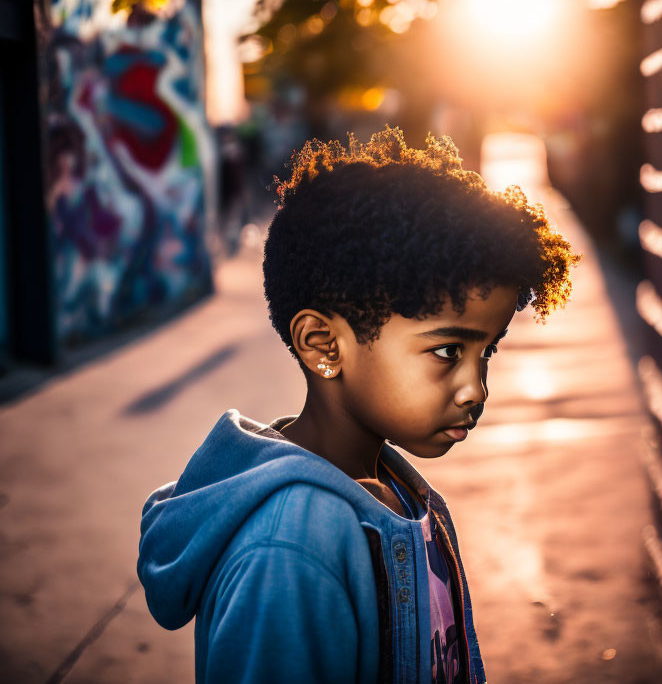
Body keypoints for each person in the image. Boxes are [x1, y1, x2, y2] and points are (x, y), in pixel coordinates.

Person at [137, 127, 579, 684]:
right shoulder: (291, 549)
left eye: (484, 353)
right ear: (324, 346)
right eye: (447, 351)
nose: (476, 389)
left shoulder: (395, 490)